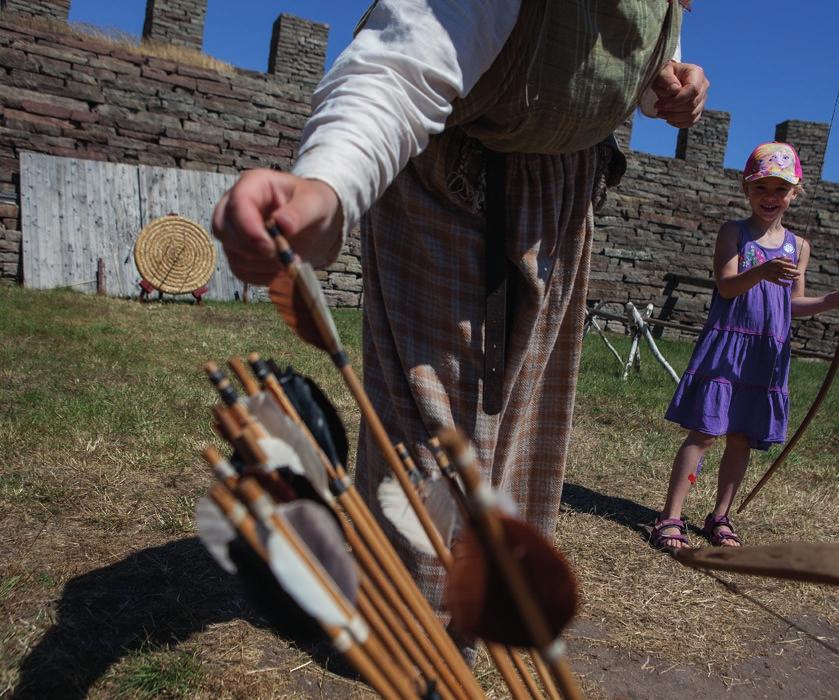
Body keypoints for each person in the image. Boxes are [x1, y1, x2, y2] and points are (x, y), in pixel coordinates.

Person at [212, 0, 709, 608]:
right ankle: (414, 621)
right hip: (452, 173)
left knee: (525, 416)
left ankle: (488, 604)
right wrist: (329, 185)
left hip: (563, 192)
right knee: (434, 420)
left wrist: (667, 82)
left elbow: (622, 49)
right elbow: (403, 62)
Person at [650, 142, 839, 551]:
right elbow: (727, 285)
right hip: (729, 346)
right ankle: (671, 516)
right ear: (746, 189)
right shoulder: (735, 232)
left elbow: (793, 305)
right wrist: (762, 270)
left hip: (767, 354)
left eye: (780, 190)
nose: (771, 197)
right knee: (704, 433)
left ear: (795, 192)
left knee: (742, 436)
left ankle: (720, 516)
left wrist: (834, 300)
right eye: (761, 188)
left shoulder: (799, 247)